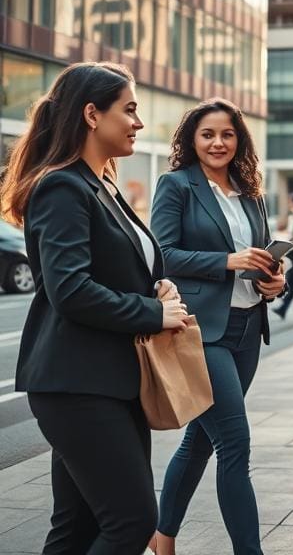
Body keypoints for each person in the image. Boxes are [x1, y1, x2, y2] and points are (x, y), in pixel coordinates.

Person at [2, 62, 188, 554]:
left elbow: (115, 268)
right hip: (77, 383)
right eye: (129, 110)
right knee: (133, 522)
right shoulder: (62, 186)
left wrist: (158, 289)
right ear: (91, 114)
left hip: (110, 380)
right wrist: (153, 314)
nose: (138, 122)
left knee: (77, 528)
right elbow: (70, 290)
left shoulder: (101, 184)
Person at [150, 98, 286, 555]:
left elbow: (260, 257)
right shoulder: (176, 186)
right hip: (201, 332)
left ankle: (163, 537)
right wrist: (227, 261)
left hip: (248, 329)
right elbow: (162, 255)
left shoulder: (251, 192)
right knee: (234, 443)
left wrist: (274, 281)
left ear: (239, 139)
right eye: (207, 134)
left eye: (227, 134)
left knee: (200, 441)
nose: (218, 143)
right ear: (192, 139)